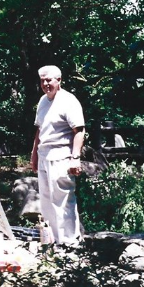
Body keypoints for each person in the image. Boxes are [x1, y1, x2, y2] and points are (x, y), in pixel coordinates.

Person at [30, 65, 85, 245]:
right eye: (42, 80)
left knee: (63, 200)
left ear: (59, 80)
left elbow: (79, 130)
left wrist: (75, 158)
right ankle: (52, 242)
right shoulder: (42, 101)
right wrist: (34, 155)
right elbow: (39, 130)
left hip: (61, 155)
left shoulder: (69, 100)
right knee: (46, 201)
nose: (46, 84)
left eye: (49, 80)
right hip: (44, 155)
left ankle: (70, 243)